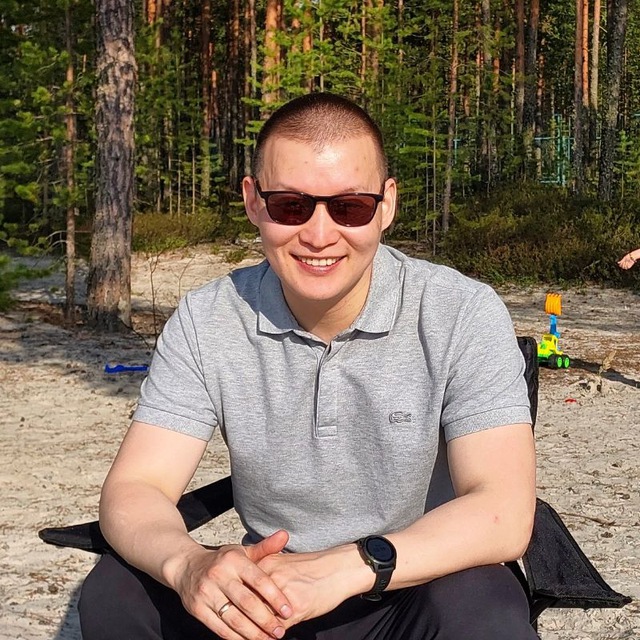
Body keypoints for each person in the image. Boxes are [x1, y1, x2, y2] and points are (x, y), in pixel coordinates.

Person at [78, 93, 538, 640]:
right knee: (116, 591)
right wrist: (188, 564)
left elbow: (503, 510)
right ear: (253, 202)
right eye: (291, 206)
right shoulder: (208, 318)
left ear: (386, 205)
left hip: (408, 584)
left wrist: (346, 567)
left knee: (484, 602)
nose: (319, 236)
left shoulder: (459, 312)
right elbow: (137, 486)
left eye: (350, 207)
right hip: (268, 594)